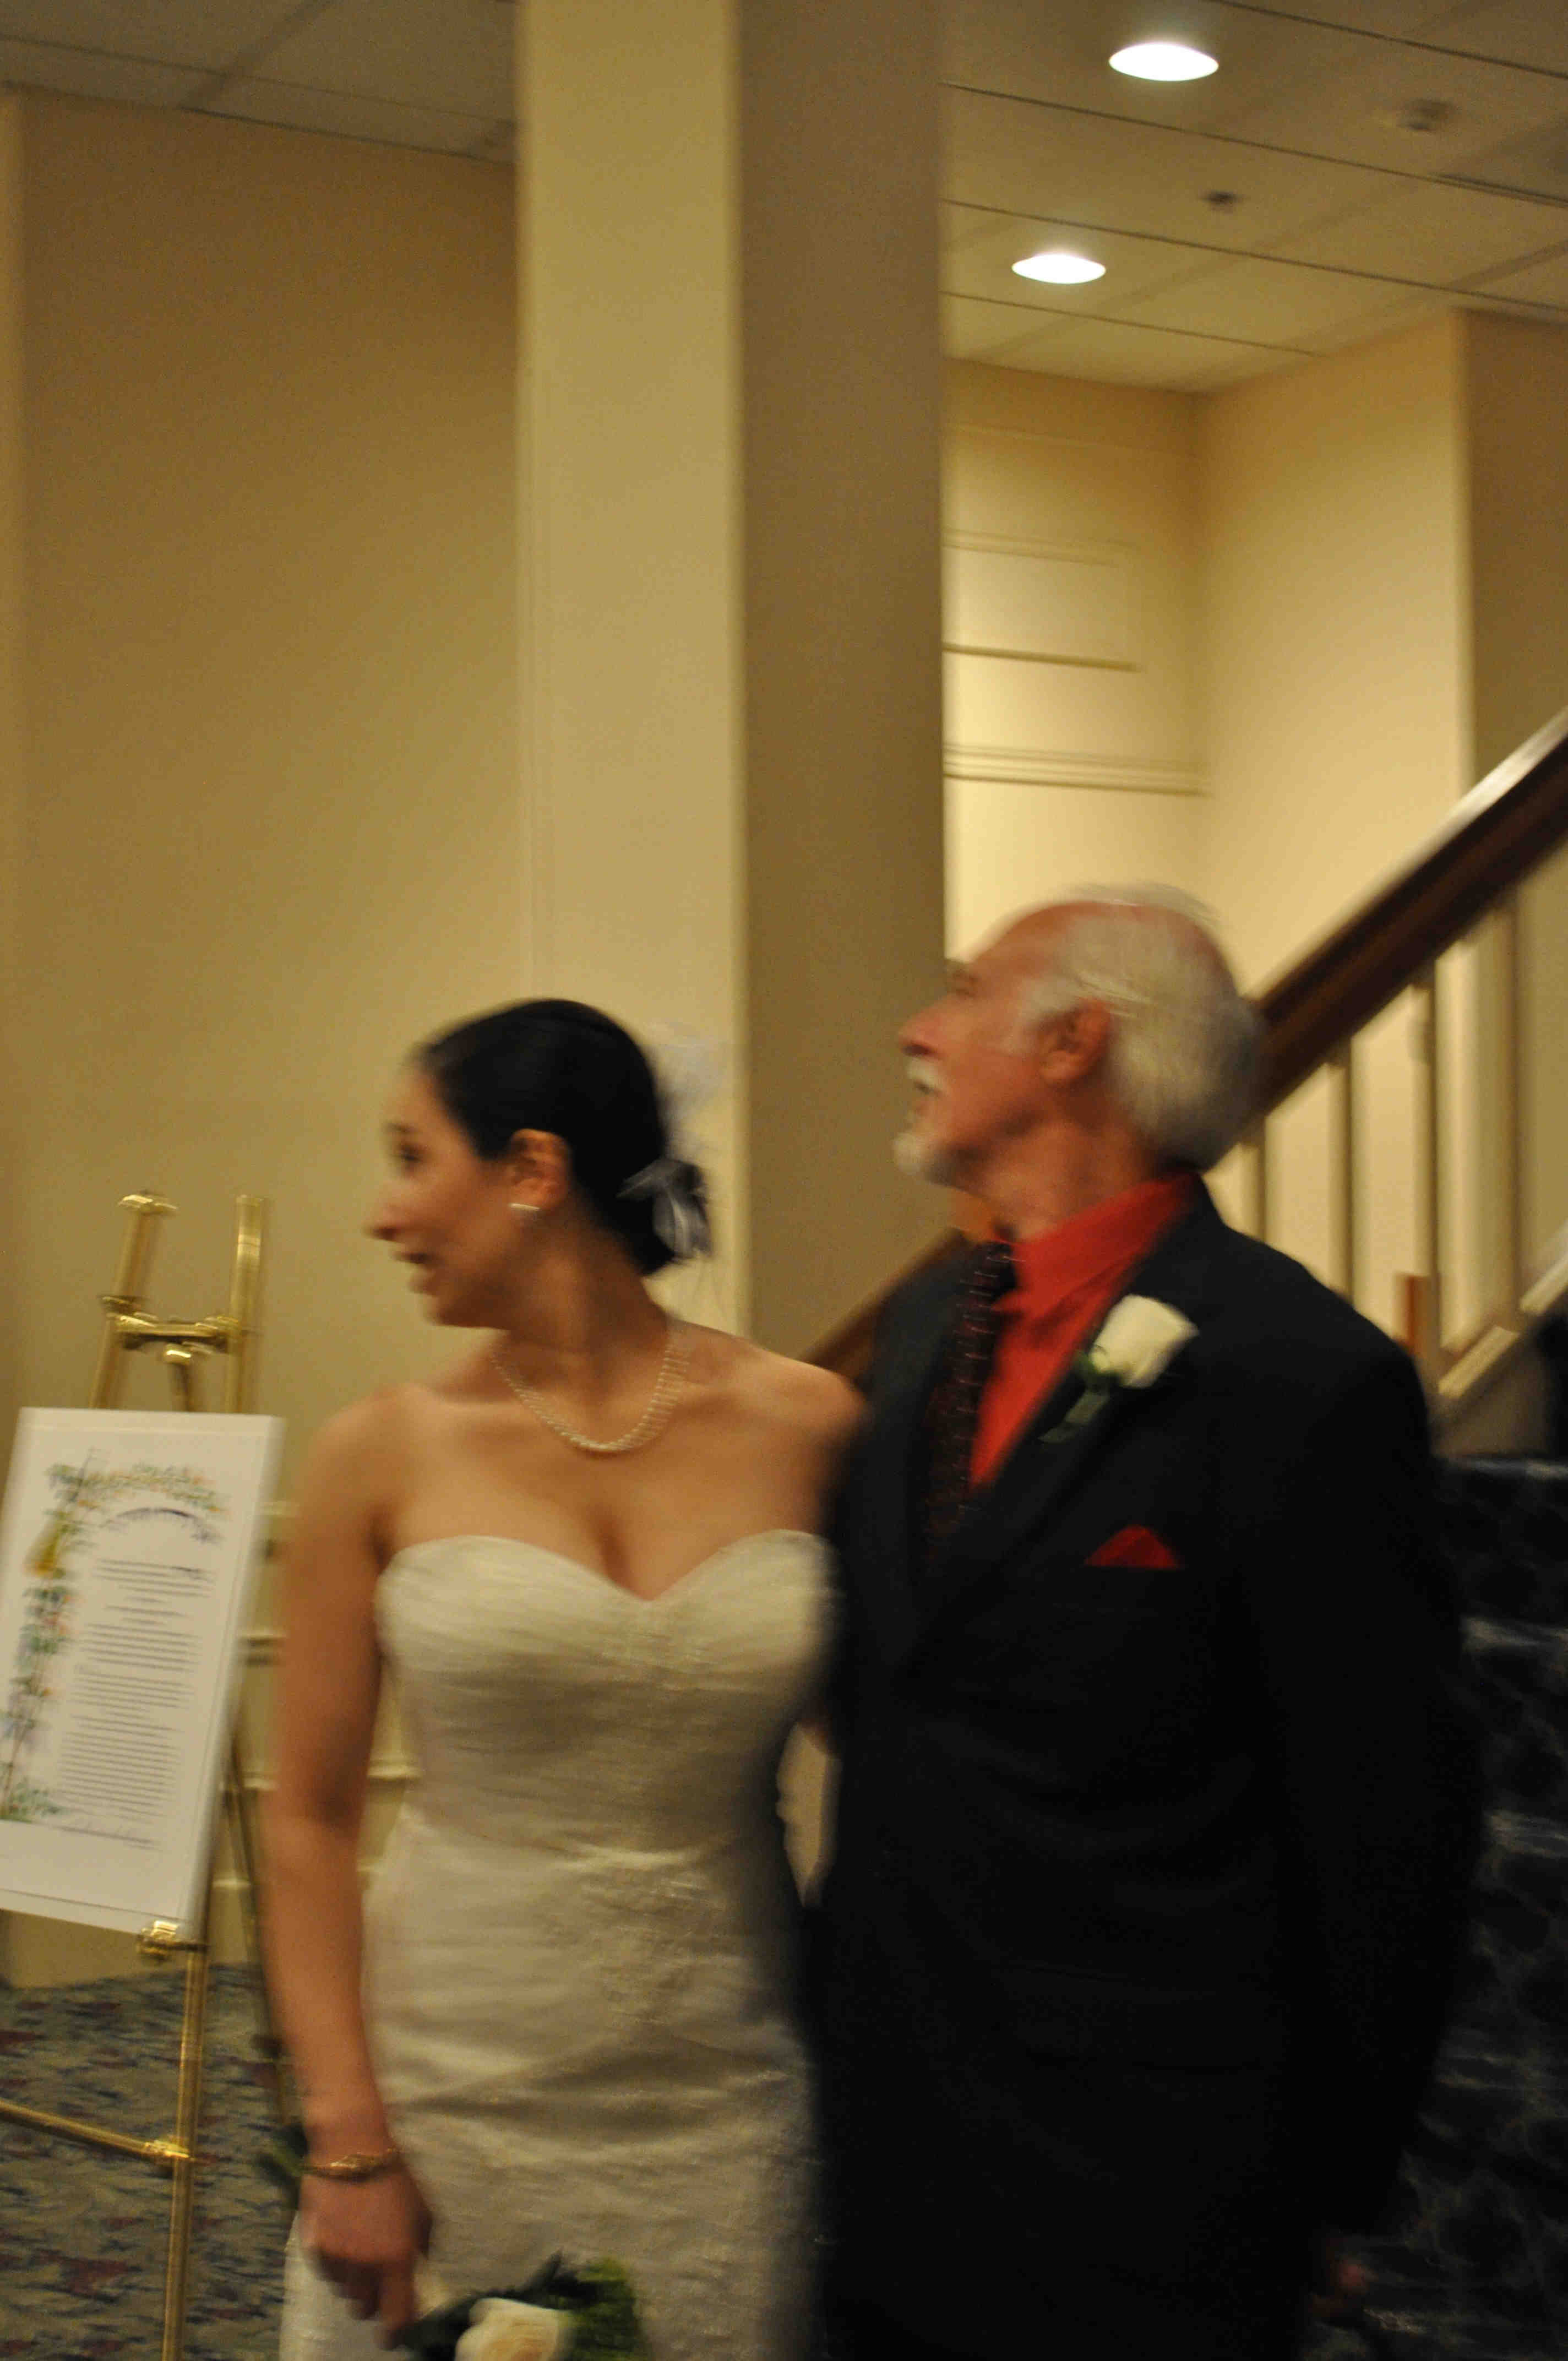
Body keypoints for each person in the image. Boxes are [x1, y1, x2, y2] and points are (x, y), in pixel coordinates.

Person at [812, 893, 1479, 2361]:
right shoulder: (921, 1334)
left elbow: (1382, 1818)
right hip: (887, 2132)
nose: (917, 1030)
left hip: (1152, 2177)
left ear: (1073, 1042)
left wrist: (1330, 2181)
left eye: (962, 993)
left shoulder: (1300, 1374)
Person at [265, 999, 860, 2359]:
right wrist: (348, 2135)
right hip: (453, 2079)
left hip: (722, 2091)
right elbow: (306, 1817)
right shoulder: (378, 1452)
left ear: (531, 1167)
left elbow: (904, 1746)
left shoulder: (808, 1424)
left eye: (411, 1158)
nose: (383, 1212)